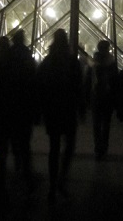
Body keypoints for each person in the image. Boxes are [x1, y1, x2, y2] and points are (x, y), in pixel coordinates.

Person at [0, 31, 37, 198]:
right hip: (19, 111)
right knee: (21, 145)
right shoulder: (23, 61)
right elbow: (31, 86)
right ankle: (24, 175)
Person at [37, 29, 85, 204]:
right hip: (68, 110)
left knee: (54, 148)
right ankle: (61, 181)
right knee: (68, 147)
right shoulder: (73, 62)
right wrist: (81, 109)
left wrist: (41, 110)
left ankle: (52, 185)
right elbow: (79, 87)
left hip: (52, 110)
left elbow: (40, 86)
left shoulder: (48, 61)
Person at [86, 40, 119, 160]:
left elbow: (87, 80)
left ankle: (97, 148)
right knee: (106, 124)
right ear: (108, 48)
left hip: (95, 96)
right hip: (108, 97)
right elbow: (116, 81)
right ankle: (104, 147)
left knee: (96, 124)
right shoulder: (112, 62)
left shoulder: (92, 63)